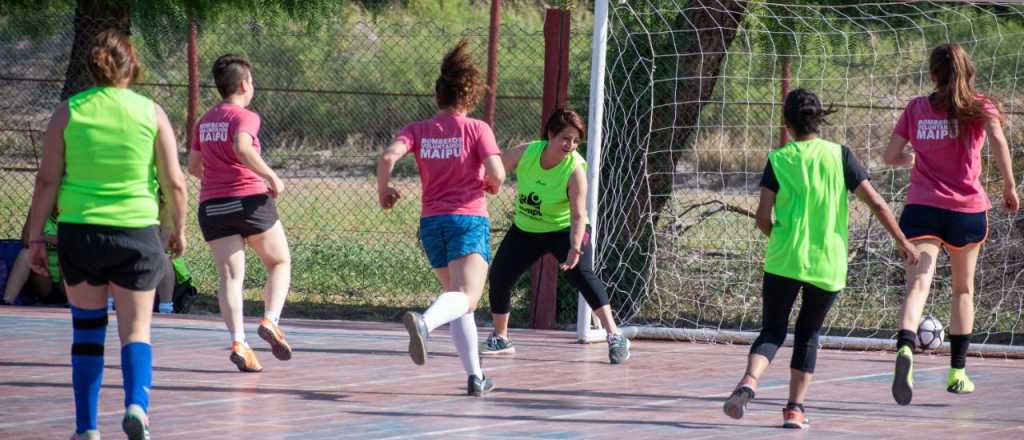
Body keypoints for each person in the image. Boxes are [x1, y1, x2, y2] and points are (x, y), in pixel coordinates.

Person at [721, 89, 919, 429]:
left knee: (771, 331)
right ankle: (795, 410)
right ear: (818, 119)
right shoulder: (840, 156)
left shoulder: (779, 159)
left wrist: (780, 238)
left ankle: (749, 382)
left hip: (783, 260)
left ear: (786, 123)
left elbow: (762, 217)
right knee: (808, 334)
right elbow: (877, 203)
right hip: (827, 263)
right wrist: (902, 241)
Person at [26, 29, 187, 440]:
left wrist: (35, 238)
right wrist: (176, 230)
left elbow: (47, 181)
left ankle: (87, 429)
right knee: (136, 331)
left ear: (92, 66)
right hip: (136, 232)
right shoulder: (152, 113)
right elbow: (175, 183)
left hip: (80, 234)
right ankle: (137, 406)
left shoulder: (68, 112)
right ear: (132, 66)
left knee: (86, 332)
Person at [885, 43, 1019, 405]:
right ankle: (958, 373)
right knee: (962, 290)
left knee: (918, 286)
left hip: (922, 209)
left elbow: (890, 156)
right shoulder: (980, 106)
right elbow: (999, 142)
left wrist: (914, 158)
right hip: (965, 211)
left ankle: (905, 350)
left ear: (932, 75)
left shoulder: (916, 108)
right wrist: (1008, 185)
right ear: (968, 70)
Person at [376, 39, 504, 396]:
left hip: (431, 223)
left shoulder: (417, 130)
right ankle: (425, 322)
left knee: (457, 299)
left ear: (438, 95)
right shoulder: (478, 129)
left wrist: (383, 191)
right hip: (467, 219)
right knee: (467, 296)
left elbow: (388, 157)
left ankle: (476, 376)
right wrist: (489, 183)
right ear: (471, 95)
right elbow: (498, 173)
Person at [481, 108, 630, 364]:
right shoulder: (527, 152)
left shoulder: (574, 170)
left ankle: (615, 335)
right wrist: (486, 182)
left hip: (565, 230)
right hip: (527, 229)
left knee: (582, 275)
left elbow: (578, 215)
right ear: (550, 134)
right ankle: (501, 338)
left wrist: (574, 247)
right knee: (499, 276)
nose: (570, 145)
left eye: (575, 141)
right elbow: (495, 169)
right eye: (565, 138)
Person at [188, 54, 293, 373]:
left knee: (230, 278)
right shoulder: (245, 117)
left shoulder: (204, 121)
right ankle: (271, 320)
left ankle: (239, 342)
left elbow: (193, 167)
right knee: (279, 261)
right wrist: (271, 176)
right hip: (249, 201)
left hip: (213, 207)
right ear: (245, 83)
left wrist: (218, 174)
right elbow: (243, 147)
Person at [2, 208, 62, 305]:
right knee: (26, 253)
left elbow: (72, 242)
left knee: (70, 253)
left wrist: (41, 238)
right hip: (45, 280)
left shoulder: (72, 213)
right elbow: (26, 240)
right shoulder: (39, 209)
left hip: (68, 282)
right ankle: (6, 302)